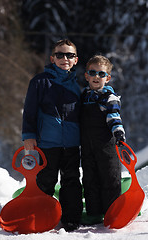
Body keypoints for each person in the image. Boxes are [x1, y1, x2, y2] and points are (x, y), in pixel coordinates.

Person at [22, 39, 83, 232]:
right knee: (46, 181)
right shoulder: (40, 81)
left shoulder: (77, 86)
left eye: (69, 55)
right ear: (52, 58)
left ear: (75, 60)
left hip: (72, 143)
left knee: (71, 180)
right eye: (60, 55)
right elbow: (29, 110)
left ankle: (71, 219)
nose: (65, 58)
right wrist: (29, 135)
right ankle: (41, 216)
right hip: (48, 142)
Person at [80, 55, 126, 224]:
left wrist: (119, 133)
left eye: (101, 73)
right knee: (90, 178)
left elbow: (114, 117)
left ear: (108, 77)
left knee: (109, 177)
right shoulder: (84, 96)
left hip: (106, 145)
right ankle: (94, 212)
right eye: (93, 73)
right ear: (86, 76)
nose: (96, 77)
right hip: (87, 146)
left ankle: (112, 212)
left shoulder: (109, 97)